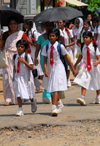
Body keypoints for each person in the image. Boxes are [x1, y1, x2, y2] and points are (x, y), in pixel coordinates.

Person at [42, 28, 77, 116]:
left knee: (55, 88)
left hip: (58, 68)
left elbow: (67, 59)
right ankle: (59, 103)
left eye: (53, 36)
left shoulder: (60, 46)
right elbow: (45, 60)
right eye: (50, 36)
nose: (52, 37)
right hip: (50, 69)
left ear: (57, 37)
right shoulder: (46, 47)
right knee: (51, 87)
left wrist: (73, 69)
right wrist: (45, 69)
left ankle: (54, 107)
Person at [0, 16, 33, 105]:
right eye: (11, 24)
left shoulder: (21, 34)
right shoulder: (5, 34)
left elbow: (26, 46)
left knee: (18, 77)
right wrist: (1, 40)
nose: (13, 25)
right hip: (8, 57)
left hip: (18, 57)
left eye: (14, 23)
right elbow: (2, 47)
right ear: (9, 25)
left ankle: (20, 97)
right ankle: (8, 98)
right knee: (7, 77)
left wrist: (24, 57)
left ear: (17, 24)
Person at [74, 31, 100, 106]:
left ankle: (98, 97)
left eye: (86, 37)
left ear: (91, 38)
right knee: (84, 80)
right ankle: (83, 98)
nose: (85, 39)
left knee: (97, 81)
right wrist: (75, 64)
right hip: (85, 66)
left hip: (94, 66)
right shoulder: (82, 47)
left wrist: (98, 62)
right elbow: (80, 57)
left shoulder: (95, 47)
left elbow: (99, 58)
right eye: (84, 37)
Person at [13, 39, 36, 116]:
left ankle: (32, 101)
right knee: (18, 93)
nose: (20, 48)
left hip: (27, 77)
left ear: (25, 48)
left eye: (22, 47)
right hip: (18, 77)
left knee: (29, 93)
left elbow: (31, 67)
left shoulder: (27, 56)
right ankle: (20, 109)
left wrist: (24, 62)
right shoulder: (15, 56)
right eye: (18, 46)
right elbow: (14, 67)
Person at [34, 22, 55, 104]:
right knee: (47, 75)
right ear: (44, 27)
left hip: (54, 59)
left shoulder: (55, 37)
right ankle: (47, 93)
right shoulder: (40, 37)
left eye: (50, 25)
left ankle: (53, 92)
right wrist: (35, 58)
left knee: (53, 75)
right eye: (47, 25)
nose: (48, 27)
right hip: (44, 59)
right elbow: (37, 49)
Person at [23, 19, 42, 91]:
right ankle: (36, 84)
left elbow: (37, 43)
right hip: (28, 52)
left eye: (26, 24)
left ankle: (41, 84)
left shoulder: (34, 32)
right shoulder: (26, 32)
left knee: (36, 68)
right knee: (31, 68)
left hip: (34, 52)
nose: (24, 25)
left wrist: (30, 41)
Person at [58, 20, 75, 87]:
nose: (59, 24)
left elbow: (73, 42)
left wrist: (67, 45)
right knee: (62, 65)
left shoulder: (68, 31)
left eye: (60, 22)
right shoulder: (58, 32)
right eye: (58, 23)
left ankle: (67, 79)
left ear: (64, 23)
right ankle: (63, 79)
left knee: (68, 66)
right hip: (61, 50)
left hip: (68, 50)